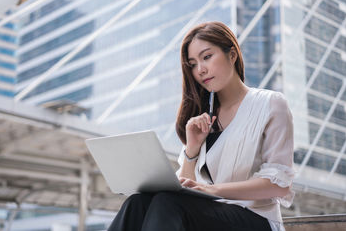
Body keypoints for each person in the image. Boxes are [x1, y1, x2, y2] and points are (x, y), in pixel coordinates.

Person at [108, 21, 294, 231]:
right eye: (193, 64)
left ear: (232, 55)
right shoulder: (203, 117)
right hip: (209, 215)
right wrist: (192, 150)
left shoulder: (270, 103)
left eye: (206, 57)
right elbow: (186, 186)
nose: (200, 70)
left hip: (256, 220)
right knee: (138, 202)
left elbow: (279, 185)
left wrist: (213, 190)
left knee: (168, 203)